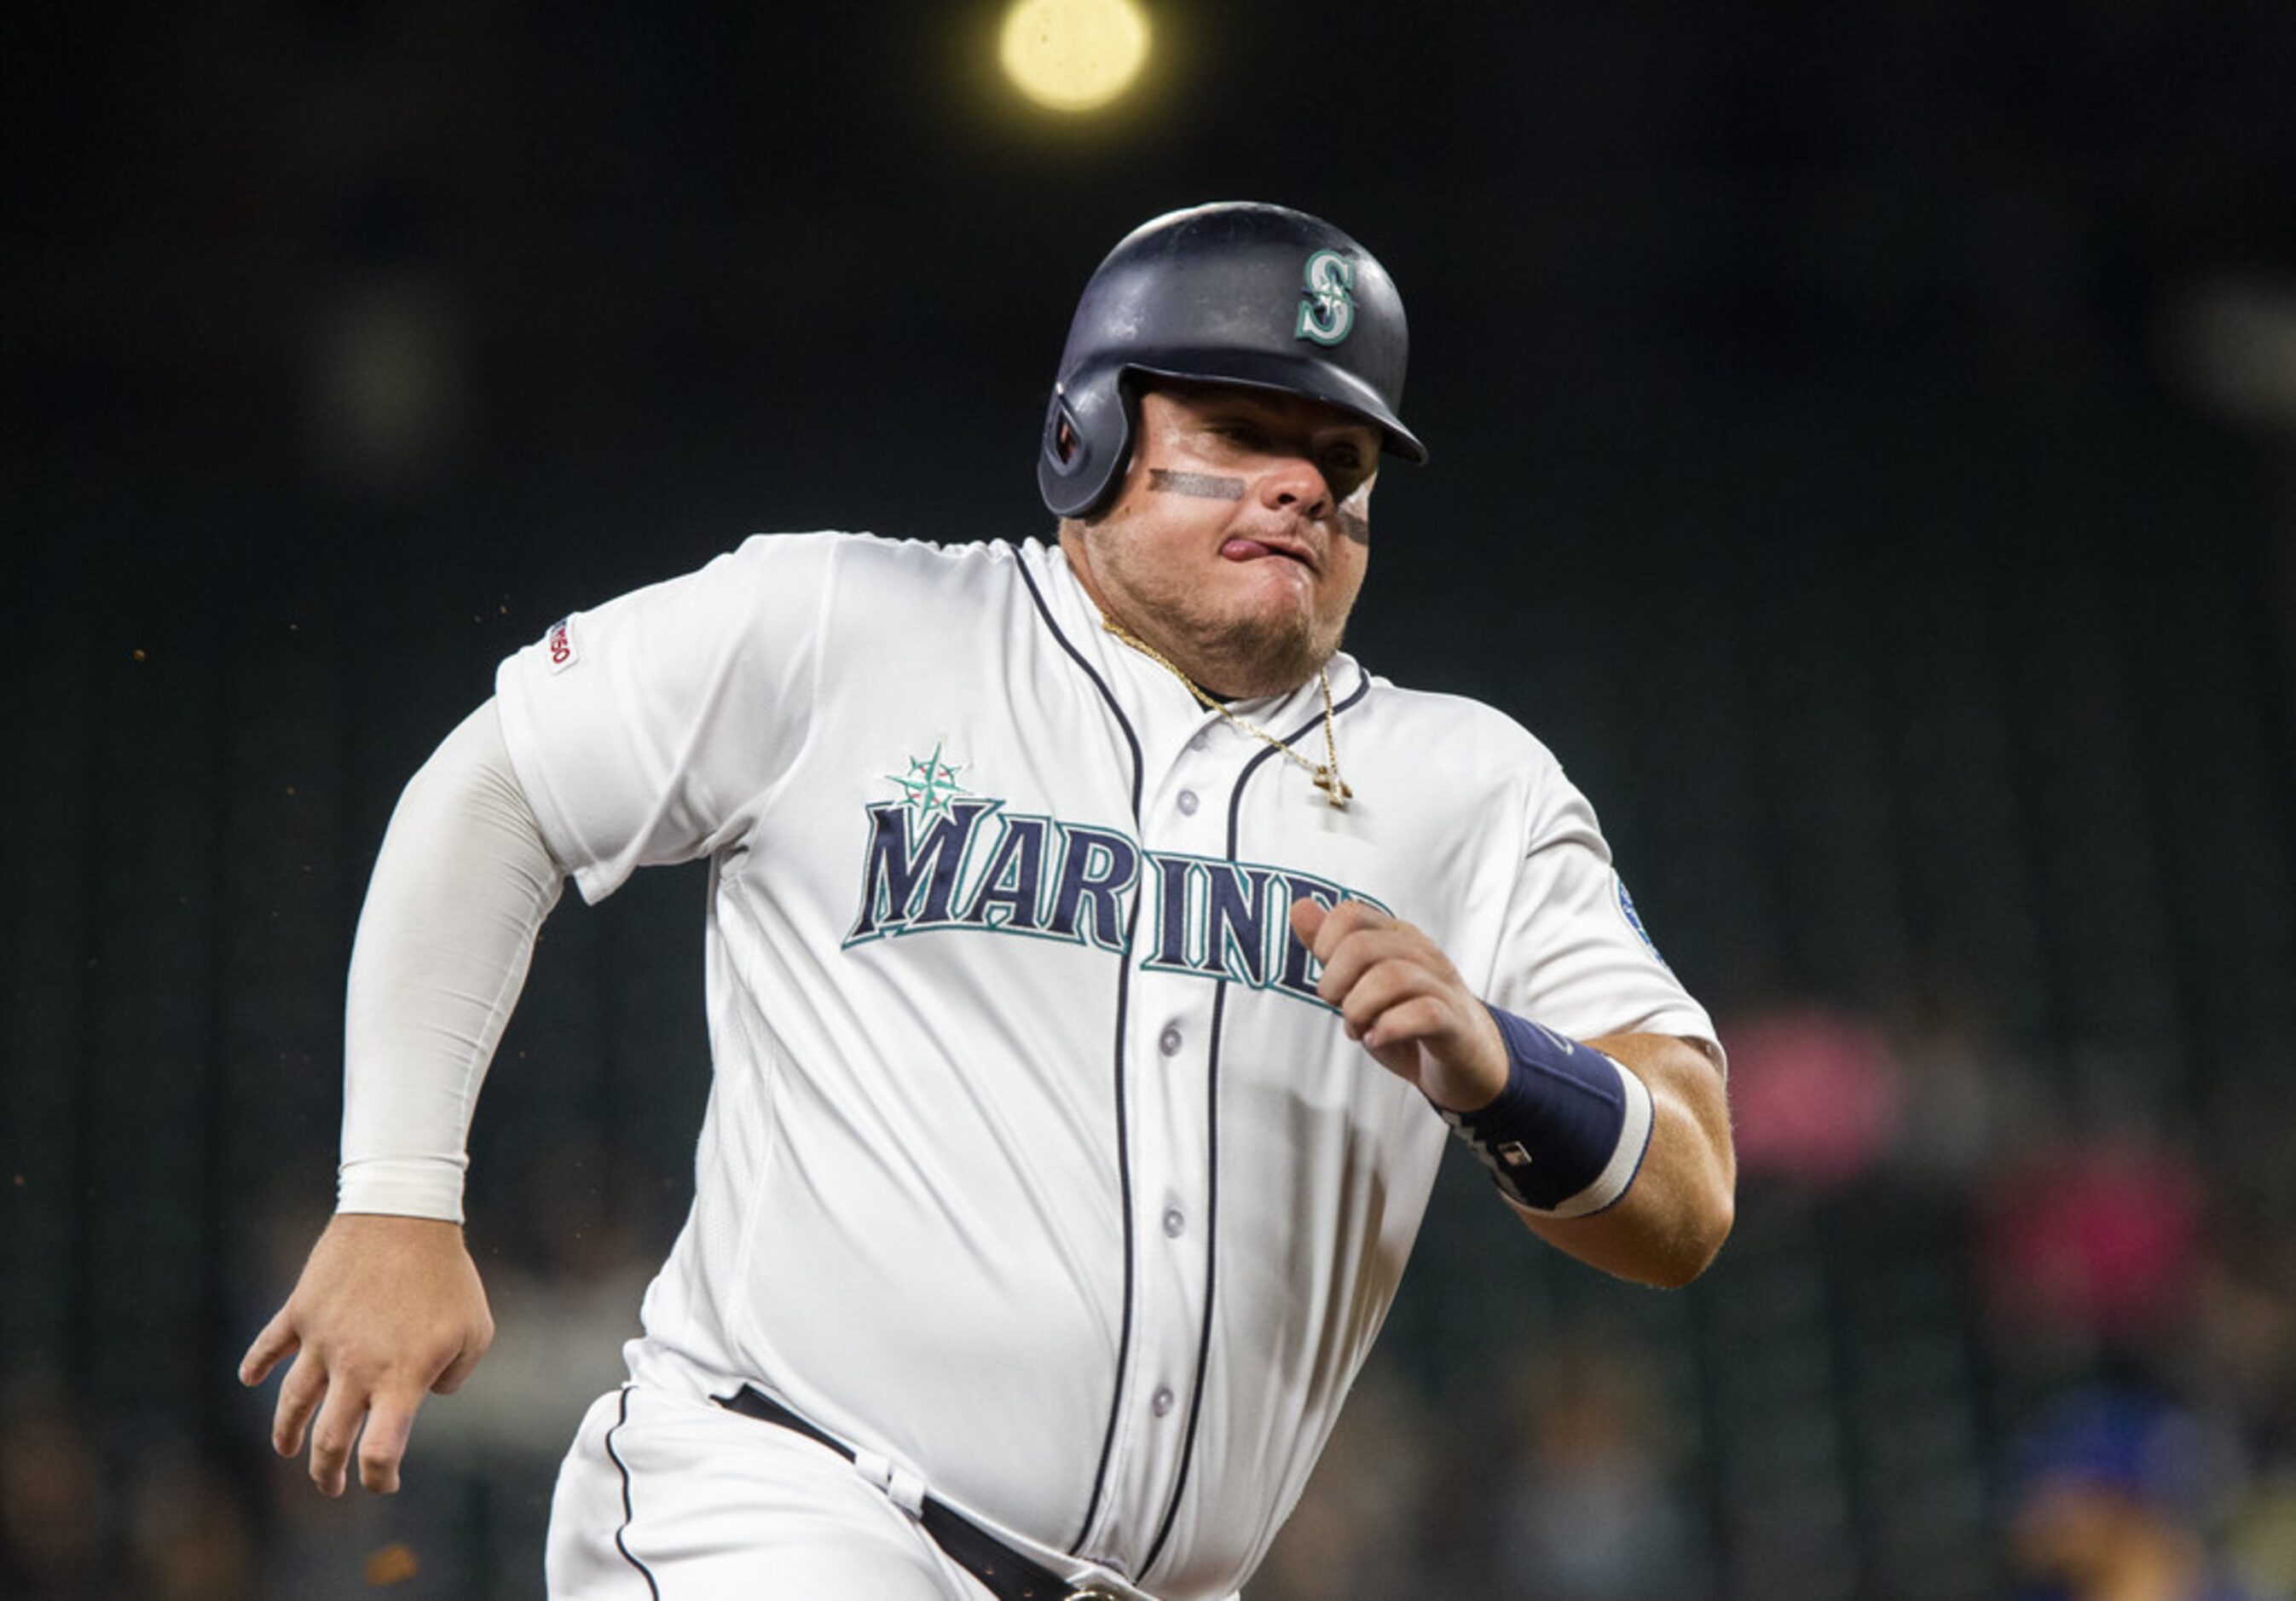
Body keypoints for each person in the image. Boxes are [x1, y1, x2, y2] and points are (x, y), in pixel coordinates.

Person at [240, 200, 1735, 1601]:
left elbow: (1687, 1198)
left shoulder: (1470, 783)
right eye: (1239, 426)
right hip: (782, 1506)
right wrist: (395, 1195)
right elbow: (494, 786)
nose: (1299, 482)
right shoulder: (843, 623)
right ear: (1085, 433)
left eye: (1339, 459)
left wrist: (1505, 1072)